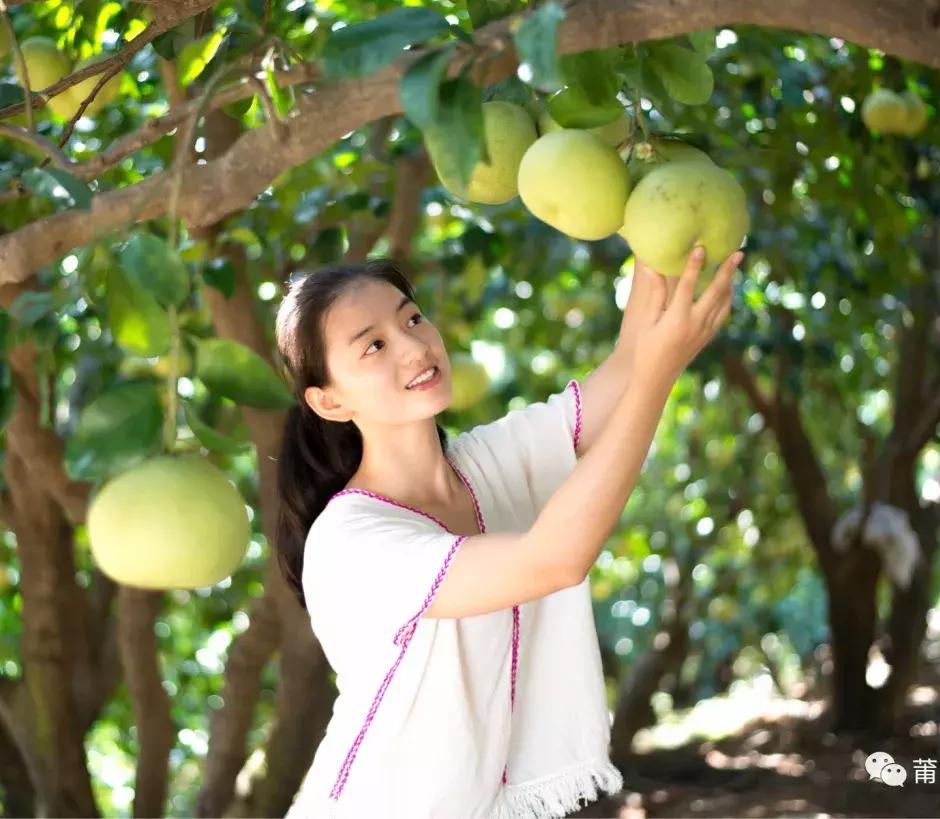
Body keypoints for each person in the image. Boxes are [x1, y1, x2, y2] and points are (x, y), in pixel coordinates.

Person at [274, 247, 742, 818]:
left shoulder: (481, 465)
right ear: (329, 401)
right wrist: (662, 371)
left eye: (412, 319)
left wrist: (657, 243)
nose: (415, 347)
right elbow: (553, 560)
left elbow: (626, 367)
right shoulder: (350, 541)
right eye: (373, 345)